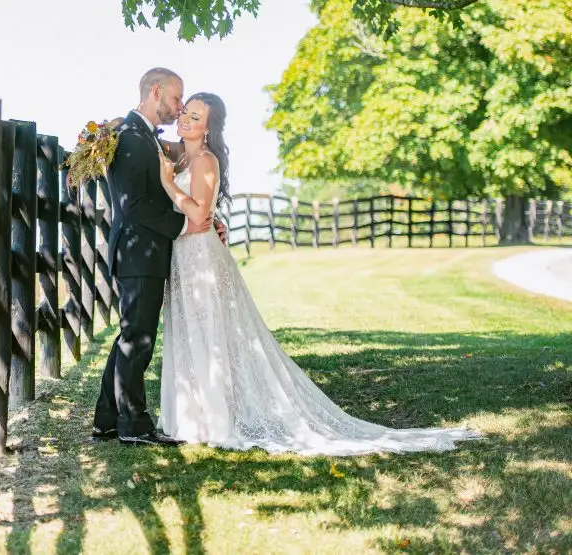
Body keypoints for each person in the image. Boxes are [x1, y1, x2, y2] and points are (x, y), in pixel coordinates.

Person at [156, 92, 482, 455]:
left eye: (196, 116)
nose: (185, 118)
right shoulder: (178, 153)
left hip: (200, 256)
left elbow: (199, 215)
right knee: (189, 332)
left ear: (209, 128)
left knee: (211, 335)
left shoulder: (204, 160)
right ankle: (191, 417)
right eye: (185, 111)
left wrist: (170, 184)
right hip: (184, 256)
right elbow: (143, 137)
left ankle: (215, 420)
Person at [92, 68, 224, 446]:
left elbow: (183, 189)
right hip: (139, 251)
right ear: (156, 92)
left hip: (145, 251)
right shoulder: (131, 137)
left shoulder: (144, 137)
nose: (179, 107)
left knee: (130, 336)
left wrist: (208, 217)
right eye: (176, 99)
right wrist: (185, 227)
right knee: (139, 340)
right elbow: (135, 205)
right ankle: (134, 425)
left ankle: (107, 417)